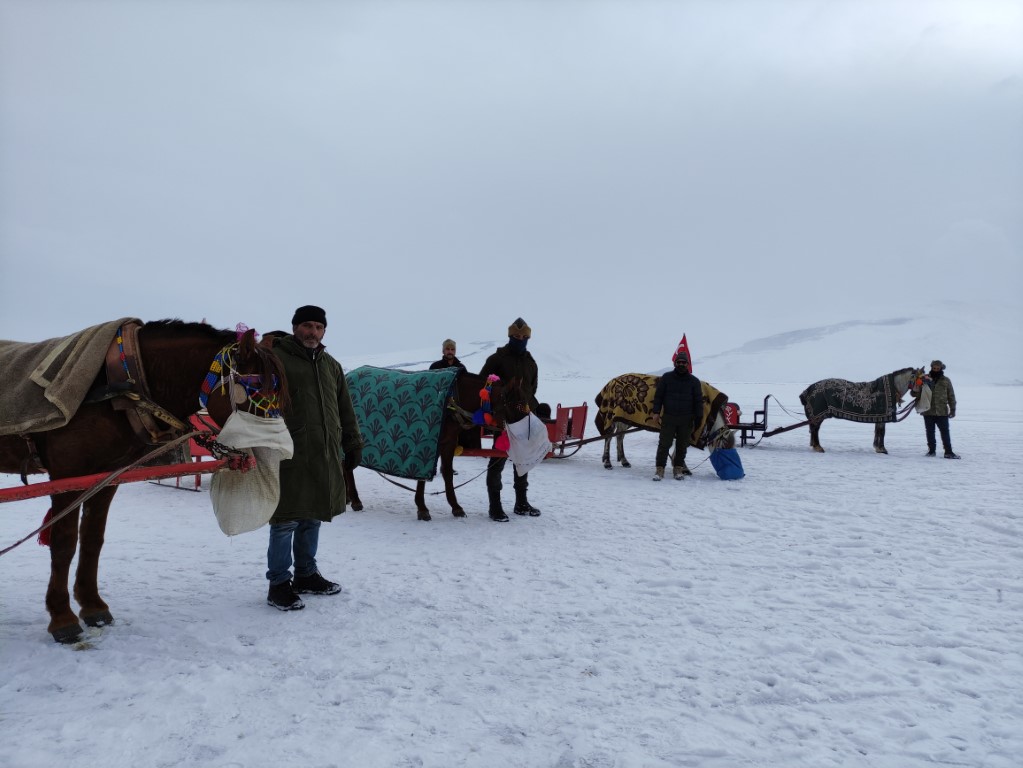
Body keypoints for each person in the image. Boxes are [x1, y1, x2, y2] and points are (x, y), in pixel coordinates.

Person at [265, 305, 364, 610]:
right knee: (285, 520)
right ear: (295, 327)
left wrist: (353, 441)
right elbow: (260, 404)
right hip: (288, 452)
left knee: (312, 516)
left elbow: (345, 407)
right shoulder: (276, 359)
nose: (313, 332)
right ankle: (278, 584)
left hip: (323, 452)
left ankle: (306, 574)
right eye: (307, 325)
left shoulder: (331, 365)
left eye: (318, 327)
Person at [479, 317, 541, 521]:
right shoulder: (497, 359)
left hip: (524, 419)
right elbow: (483, 386)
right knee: (498, 460)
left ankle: (521, 503)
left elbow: (532, 389)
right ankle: (495, 507)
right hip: (501, 420)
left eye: (523, 337)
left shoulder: (531, 363)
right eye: (516, 336)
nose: (520, 339)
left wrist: (527, 409)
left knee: (522, 460)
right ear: (510, 336)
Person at [649, 352, 703, 480]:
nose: (681, 364)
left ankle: (678, 469)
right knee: (664, 444)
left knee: (682, 446)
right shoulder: (666, 378)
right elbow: (659, 396)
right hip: (669, 417)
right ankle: (660, 469)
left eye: (684, 362)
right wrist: (656, 412)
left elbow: (698, 401)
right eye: (679, 362)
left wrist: (699, 418)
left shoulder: (694, 381)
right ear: (675, 363)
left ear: (688, 364)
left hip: (686, 419)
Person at [921, 359, 959, 459]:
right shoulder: (925, 379)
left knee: (945, 432)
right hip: (928, 411)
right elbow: (915, 393)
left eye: (938, 368)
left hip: (942, 411)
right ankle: (931, 451)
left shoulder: (946, 380)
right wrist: (916, 389)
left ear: (941, 368)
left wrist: (953, 409)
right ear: (931, 368)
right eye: (934, 368)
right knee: (930, 432)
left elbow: (951, 395)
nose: (936, 370)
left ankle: (948, 452)